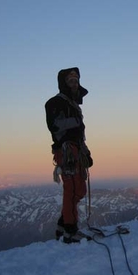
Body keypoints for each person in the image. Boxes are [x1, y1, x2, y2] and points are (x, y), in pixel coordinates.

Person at [45, 67, 93, 244]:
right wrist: (75, 122)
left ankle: (63, 224)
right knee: (72, 189)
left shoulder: (73, 105)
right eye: (71, 81)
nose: (74, 84)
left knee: (78, 190)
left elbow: (79, 133)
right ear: (63, 83)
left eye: (76, 81)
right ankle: (70, 231)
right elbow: (54, 125)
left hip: (76, 150)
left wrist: (86, 153)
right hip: (65, 151)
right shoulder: (54, 103)